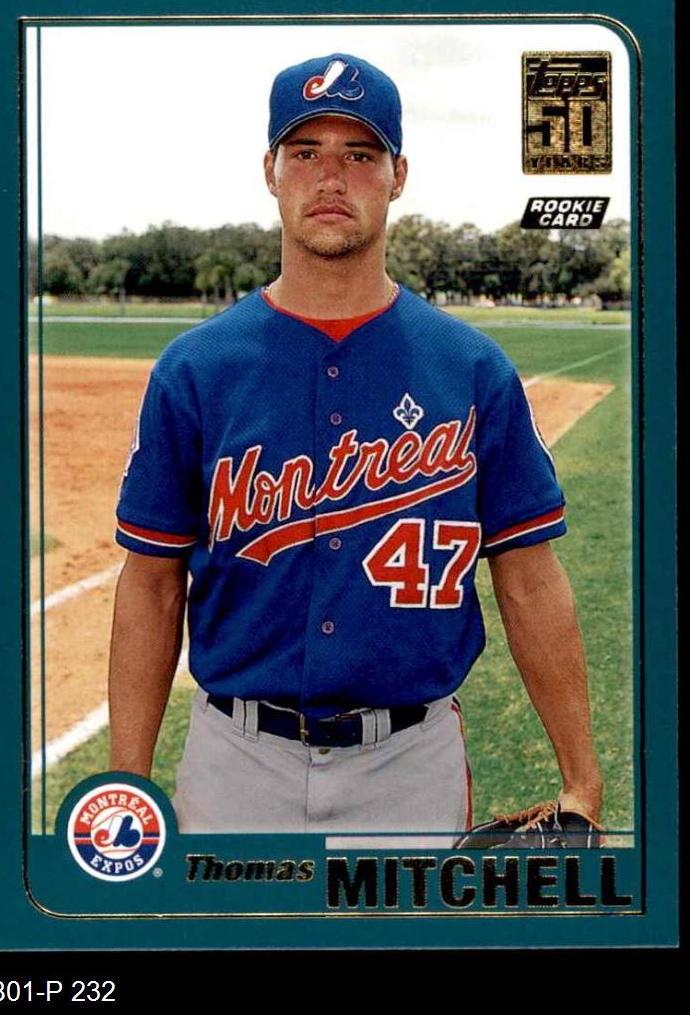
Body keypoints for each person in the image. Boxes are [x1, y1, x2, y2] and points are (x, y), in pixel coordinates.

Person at [109, 52, 603, 834]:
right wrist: (124, 794)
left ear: (398, 175)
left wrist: (582, 779)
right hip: (235, 762)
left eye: (361, 155)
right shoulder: (196, 370)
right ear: (270, 172)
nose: (332, 178)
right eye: (306, 152)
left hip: (411, 762)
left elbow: (531, 581)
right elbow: (151, 585)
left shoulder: (473, 371)